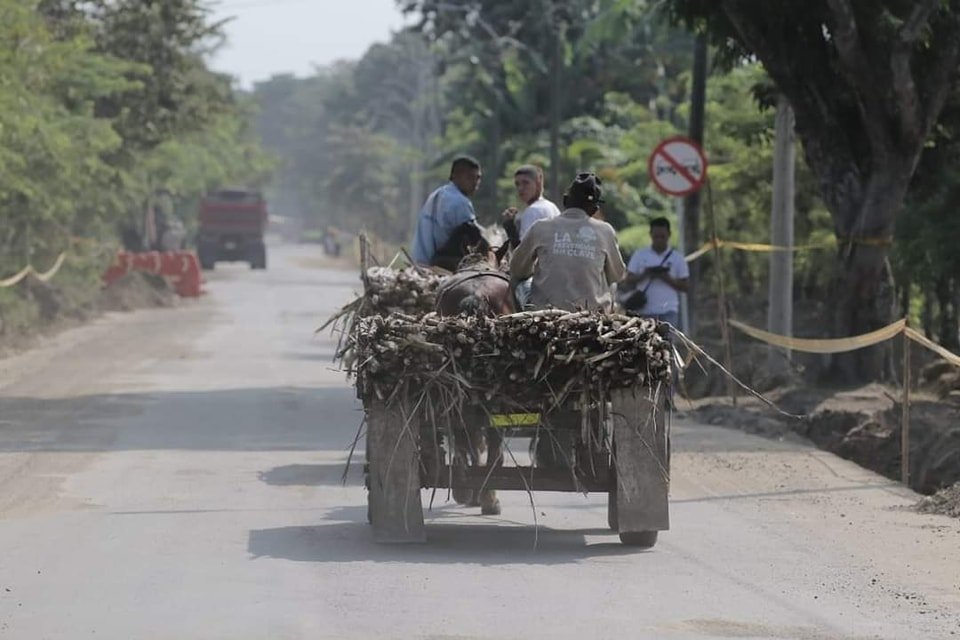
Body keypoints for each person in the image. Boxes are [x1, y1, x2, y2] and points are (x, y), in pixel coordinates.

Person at [509, 172, 626, 311]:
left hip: (545, 313)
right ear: (595, 209)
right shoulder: (605, 230)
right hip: (591, 315)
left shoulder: (541, 227)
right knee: (612, 284)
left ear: (565, 200)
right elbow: (618, 275)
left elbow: (516, 269)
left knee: (519, 281)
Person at [500, 165, 561, 306]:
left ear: (539, 182)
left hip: (539, 276)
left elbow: (523, 256)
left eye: (526, 183)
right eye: (517, 184)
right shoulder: (552, 207)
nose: (520, 189)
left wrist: (510, 228)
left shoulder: (533, 211)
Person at [410, 156, 485, 270]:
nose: (475, 182)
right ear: (455, 176)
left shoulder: (437, 194)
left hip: (419, 264)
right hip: (441, 269)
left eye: (478, 178)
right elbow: (473, 239)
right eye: (470, 177)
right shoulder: (460, 202)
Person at [621, 217, 689, 327]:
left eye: (663, 237)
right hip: (644, 311)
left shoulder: (677, 258)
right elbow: (628, 279)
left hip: (668, 311)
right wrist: (646, 274)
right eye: (656, 236)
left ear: (669, 235)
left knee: (667, 343)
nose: (659, 240)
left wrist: (666, 277)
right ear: (651, 235)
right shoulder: (640, 255)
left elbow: (685, 286)